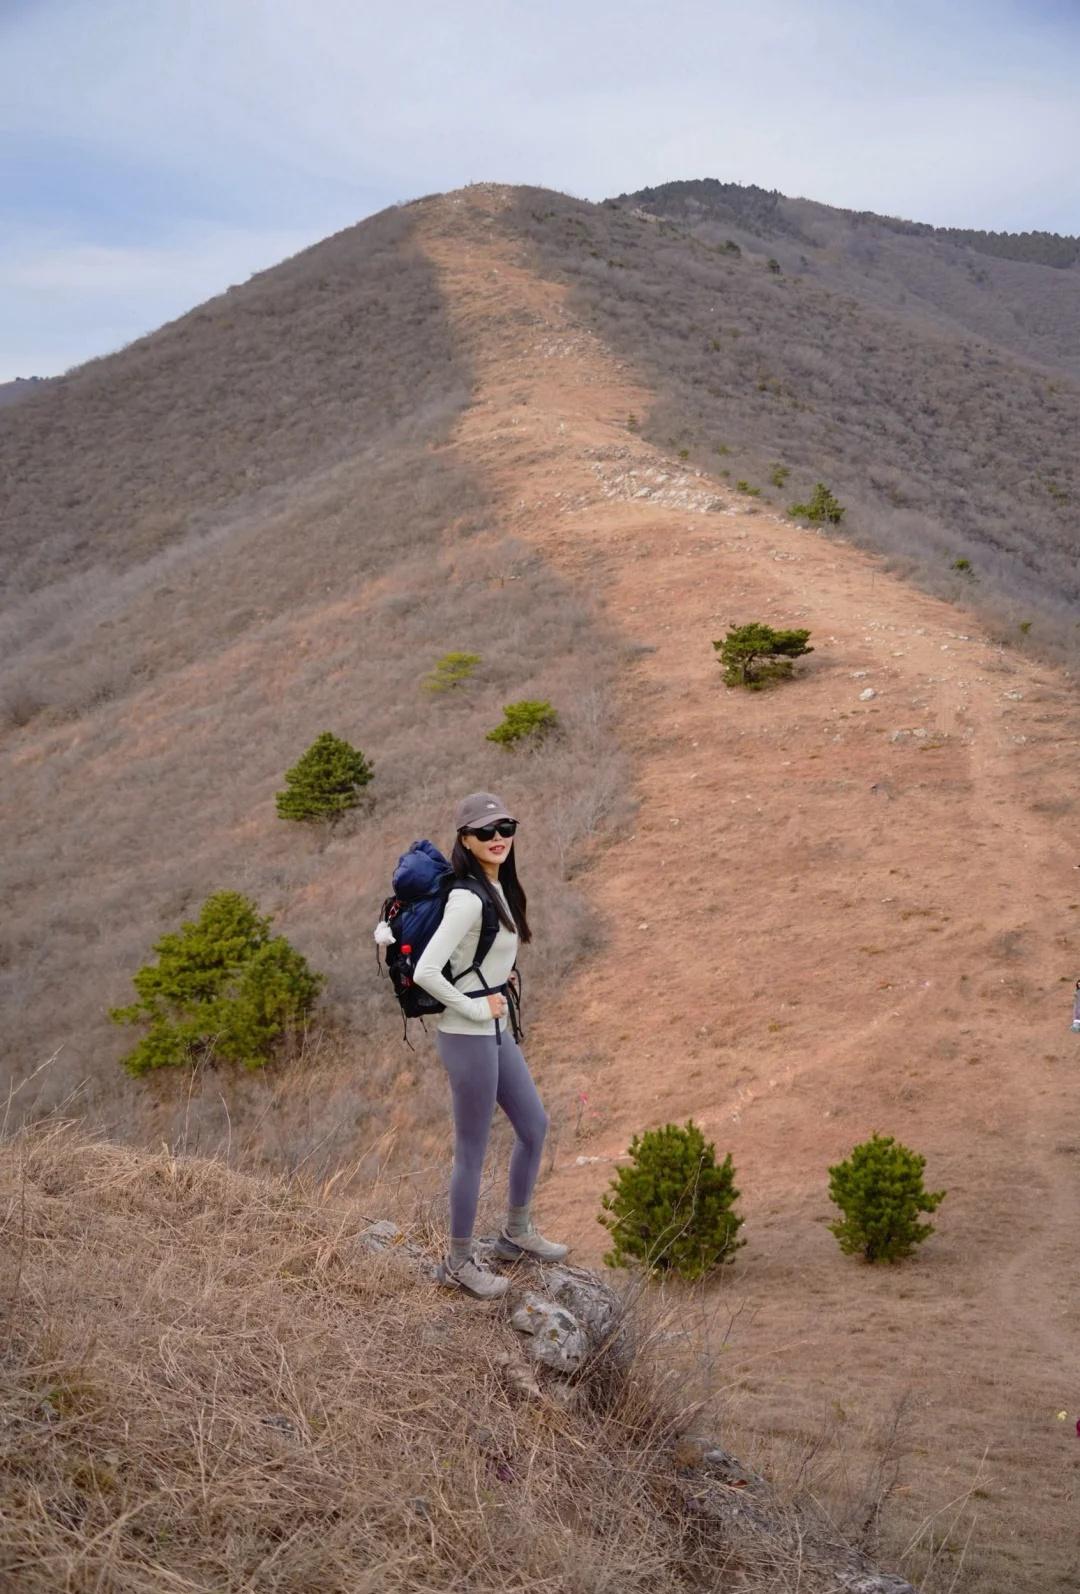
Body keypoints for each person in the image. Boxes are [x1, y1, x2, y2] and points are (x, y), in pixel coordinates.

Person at [413, 791, 568, 1298]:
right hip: (467, 1035)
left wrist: (497, 993)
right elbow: (426, 972)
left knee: (534, 1125)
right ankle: (458, 1262)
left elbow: (482, 960)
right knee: (472, 1152)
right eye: (484, 832)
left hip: (494, 1031)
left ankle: (516, 1234)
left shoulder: (498, 888)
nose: (498, 838)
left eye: (505, 827)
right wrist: (479, 1007)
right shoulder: (465, 897)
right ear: (464, 840)